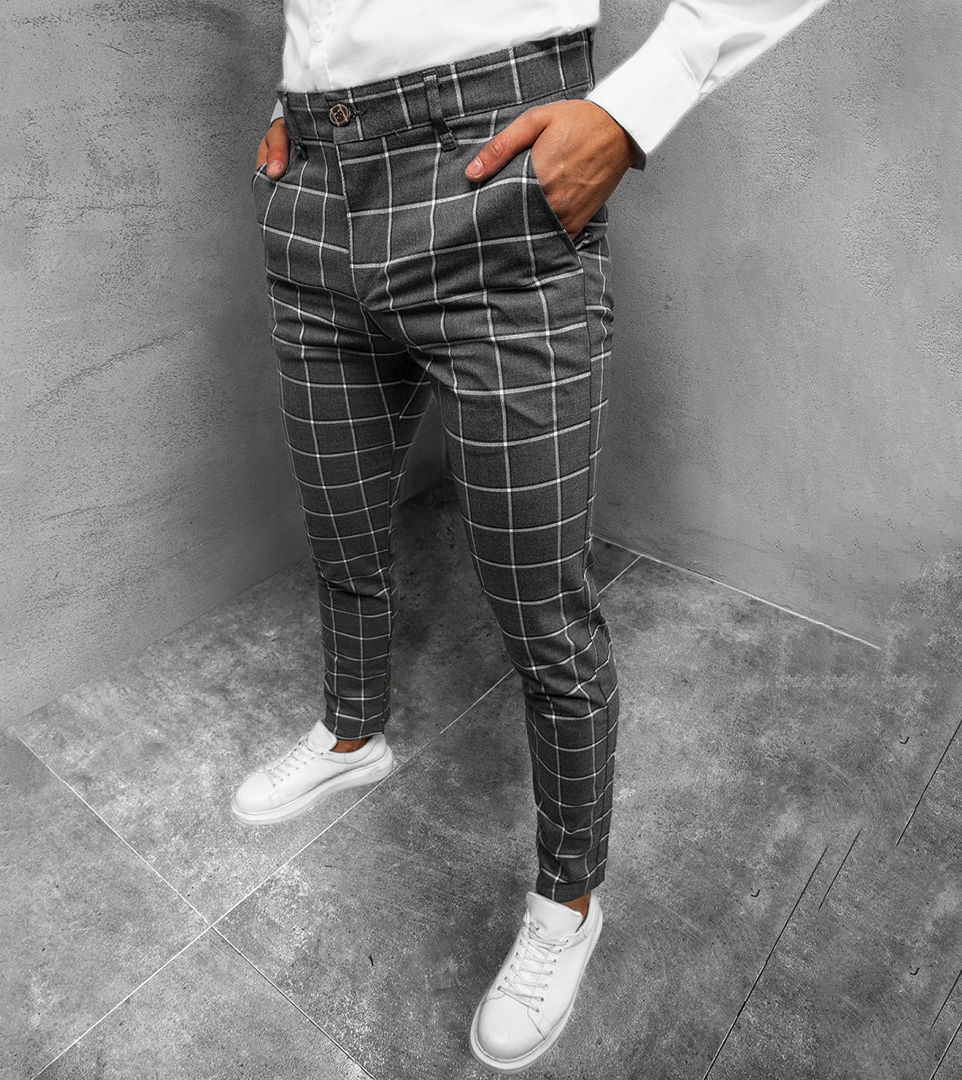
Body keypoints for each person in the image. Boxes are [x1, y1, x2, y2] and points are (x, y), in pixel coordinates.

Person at [231, 0, 827, 1071]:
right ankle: (353, 736)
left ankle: (568, 899)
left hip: (490, 171)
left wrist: (640, 102)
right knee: (340, 519)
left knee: (540, 608)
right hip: (315, 183)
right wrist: (304, 88)